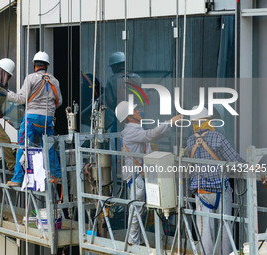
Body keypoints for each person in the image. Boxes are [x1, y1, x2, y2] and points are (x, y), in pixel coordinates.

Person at [116, 100, 180, 245]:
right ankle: (133, 242)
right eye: (135, 110)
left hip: (138, 175)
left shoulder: (135, 129)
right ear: (129, 117)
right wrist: (169, 122)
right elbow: (150, 135)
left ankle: (135, 241)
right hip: (136, 177)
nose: (138, 111)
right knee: (137, 209)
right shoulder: (131, 131)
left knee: (139, 209)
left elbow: (147, 145)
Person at [187, 106, 245, 255]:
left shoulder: (190, 141)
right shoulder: (218, 138)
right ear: (208, 121)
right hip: (220, 188)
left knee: (205, 232)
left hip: (201, 192)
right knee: (225, 229)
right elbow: (234, 159)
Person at [6, 51, 62, 187]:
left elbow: (21, 99)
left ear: (34, 65)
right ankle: (56, 175)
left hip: (31, 119)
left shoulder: (31, 78)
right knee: (49, 147)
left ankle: (17, 179)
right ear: (47, 65)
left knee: (23, 146)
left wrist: (6, 94)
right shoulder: (54, 80)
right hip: (48, 119)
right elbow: (59, 101)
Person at [105, 52, 143, 132]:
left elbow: (110, 102)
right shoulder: (137, 77)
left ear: (115, 66)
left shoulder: (112, 80)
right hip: (139, 113)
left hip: (122, 116)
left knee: (115, 137)